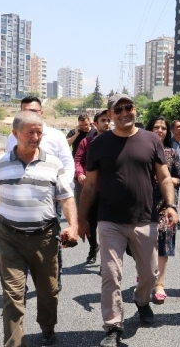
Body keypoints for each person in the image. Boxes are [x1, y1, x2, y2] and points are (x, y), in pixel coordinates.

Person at [77, 94, 178, 347]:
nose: (125, 112)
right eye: (118, 109)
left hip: (145, 218)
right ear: (110, 114)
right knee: (111, 274)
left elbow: (164, 177)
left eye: (128, 107)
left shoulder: (151, 139)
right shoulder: (99, 144)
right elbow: (89, 185)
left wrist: (170, 205)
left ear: (135, 110)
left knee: (150, 274)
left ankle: (142, 301)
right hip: (110, 219)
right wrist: (81, 219)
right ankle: (113, 325)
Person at [0, 111, 79, 346]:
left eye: (39, 132)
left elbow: (66, 198)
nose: (35, 137)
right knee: (12, 295)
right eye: (30, 132)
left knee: (48, 291)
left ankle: (47, 327)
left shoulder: (53, 163)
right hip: (10, 237)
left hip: (45, 237)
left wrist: (73, 226)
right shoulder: (0, 163)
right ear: (15, 133)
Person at [5, 96, 74, 291]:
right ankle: (20, 283)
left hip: (50, 198)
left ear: (41, 113)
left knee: (51, 240)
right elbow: (8, 162)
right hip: (21, 198)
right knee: (18, 239)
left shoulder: (56, 136)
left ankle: (53, 279)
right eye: (25, 111)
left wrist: (61, 189)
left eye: (34, 111)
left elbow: (68, 164)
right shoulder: (13, 137)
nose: (29, 114)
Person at [146, 116, 180, 304]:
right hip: (143, 206)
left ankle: (159, 284)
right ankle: (145, 275)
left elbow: (178, 178)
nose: (160, 131)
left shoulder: (171, 153)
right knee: (144, 245)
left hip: (166, 206)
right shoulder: (141, 150)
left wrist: (166, 180)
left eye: (163, 128)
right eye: (156, 127)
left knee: (163, 245)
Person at [74, 110, 111, 265]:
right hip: (91, 190)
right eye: (103, 120)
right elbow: (77, 160)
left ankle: (105, 258)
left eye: (109, 120)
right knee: (90, 223)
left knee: (107, 227)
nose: (107, 123)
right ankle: (93, 247)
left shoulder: (116, 141)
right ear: (95, 124)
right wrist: (80, 174)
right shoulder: (86, 142)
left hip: (110, 192)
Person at [67, 113, 97, 204]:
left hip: (91, 164)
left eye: (86, 124)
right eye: (81, 125)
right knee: (79, 193)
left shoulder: (95, 132)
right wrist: (76, 134)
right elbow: (66, 144)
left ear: (90, 122)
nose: (84, 127)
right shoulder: (74, 132)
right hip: (78, 165)